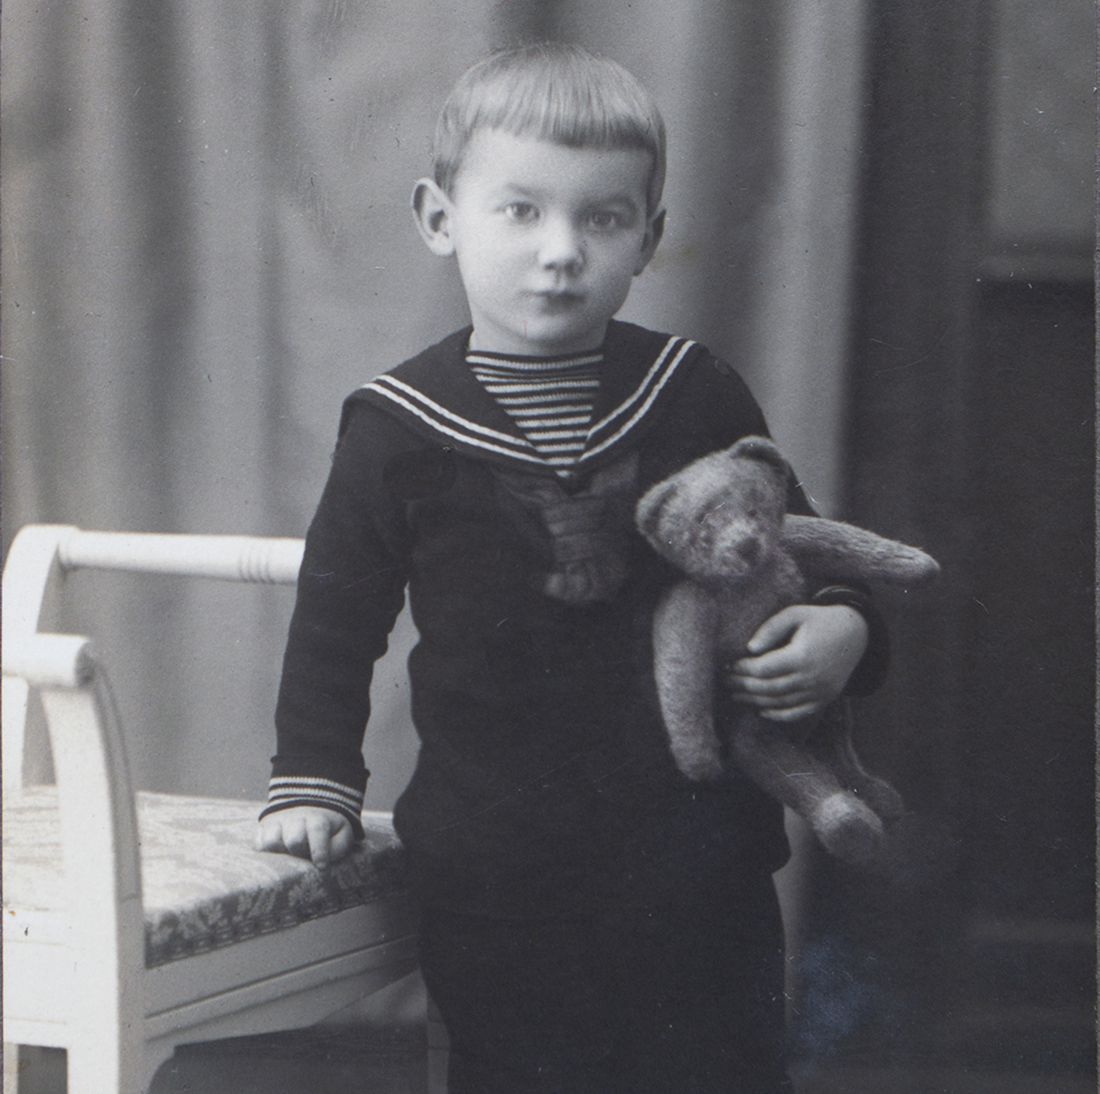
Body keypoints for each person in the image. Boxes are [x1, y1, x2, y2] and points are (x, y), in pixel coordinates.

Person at [256, 42, 887, 1094]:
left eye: (600, 218)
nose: (559, 251)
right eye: (519, 211)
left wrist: (844, 626)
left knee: (717, 1068)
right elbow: (336, 615)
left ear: (649, 237)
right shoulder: (395, 427)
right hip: (497, 861)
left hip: (698, 851)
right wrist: (312, 777)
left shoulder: (693, 393)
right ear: (438, 217)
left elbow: (795, 549)